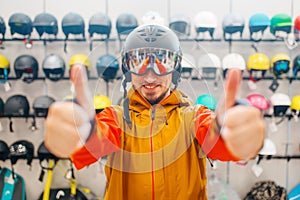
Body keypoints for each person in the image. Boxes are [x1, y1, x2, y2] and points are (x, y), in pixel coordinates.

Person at [44, 24, 265, 200]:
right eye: (139, 62)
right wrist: (80, 133)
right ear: (127, 69)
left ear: (175, 67)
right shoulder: (116, 118)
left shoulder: (193, 117)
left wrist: (232, 138)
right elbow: (95, 142)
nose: (150, 75)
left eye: (162, 62)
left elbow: (215, 140)